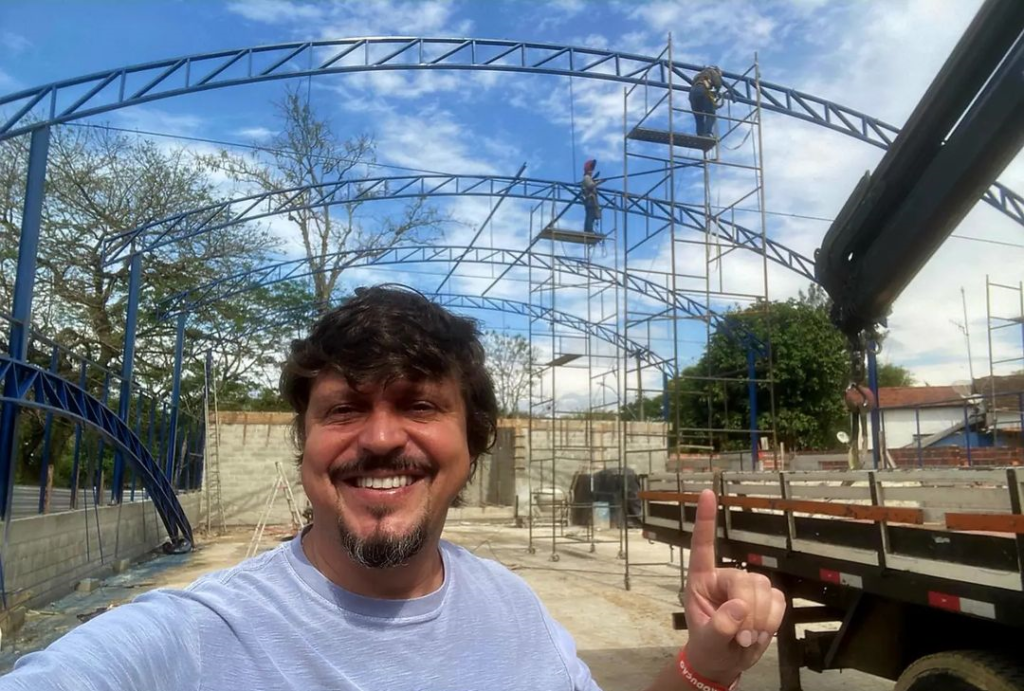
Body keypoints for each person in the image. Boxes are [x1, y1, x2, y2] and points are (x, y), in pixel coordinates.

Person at [1, 285, 785, 691]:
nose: (380, 437)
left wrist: (705, 666)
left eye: (418, 404)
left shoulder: (516, 613)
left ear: (471, 443)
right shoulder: (194, 637)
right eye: (344, 409)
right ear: (306, 444)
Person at [689, 66, 724, 138]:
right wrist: (717, 91)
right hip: (703, 90)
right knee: (711, 114)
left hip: (692, 94)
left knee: (699, 116)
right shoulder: (713, 72)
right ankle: (707, 133)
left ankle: (700, 134)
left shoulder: (698, 75)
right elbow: (718, 84)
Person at [582, 158, 601, 234]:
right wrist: (598, 182)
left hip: (591, 200)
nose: (592, 171)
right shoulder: (586, 177)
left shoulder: (589, 178)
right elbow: (590, 186)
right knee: (590, 215)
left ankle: (590, 229)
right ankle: (588, 230)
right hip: (590, 200)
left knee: (591, 215)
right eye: (590, 169)